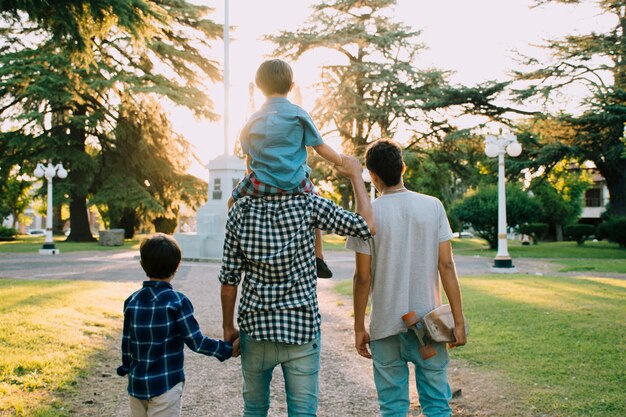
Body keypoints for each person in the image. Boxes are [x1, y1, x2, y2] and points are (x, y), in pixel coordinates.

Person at [220, 156, 375, 417]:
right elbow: (365, 226)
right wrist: (356, 177)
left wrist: (227, 327)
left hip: (256, 329)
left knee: (254, 411)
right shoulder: (309, 204)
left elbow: (229, 280)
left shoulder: (239, 210)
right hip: (301, 329)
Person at [346, 140, 467, 417]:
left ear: (372, 175)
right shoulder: (432, 206)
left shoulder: (367, 215)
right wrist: (458, 321)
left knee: (392, 409)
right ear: (403, 168)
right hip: (430, 327)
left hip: (385, 326)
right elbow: (446, 266)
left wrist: (358, 327)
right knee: (437, 405)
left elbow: (362, 278)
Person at [230, 58, 345, 278]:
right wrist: (341, 160)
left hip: (261, 181)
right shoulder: (299, 114)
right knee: (315, 209)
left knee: (232, 203)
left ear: (259, 86)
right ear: (291, 87)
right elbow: (320, 146)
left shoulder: (252, 120)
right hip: (296, 182)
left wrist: (252, 180)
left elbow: (248, 158)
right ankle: (318, 257)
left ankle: (241, 248)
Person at [117, 233, 239, 417]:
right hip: (166, 385)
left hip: (137, 385)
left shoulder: (132, 301)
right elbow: (196, 342)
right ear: (176, 267)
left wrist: (126, 367)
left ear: (143, 265)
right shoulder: (177, 303)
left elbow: (127, 343)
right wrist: (227, 349)